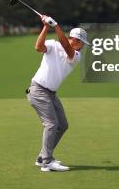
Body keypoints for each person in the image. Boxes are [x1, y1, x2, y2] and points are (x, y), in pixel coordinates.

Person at [26, 14, 88, 172]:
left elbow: (67, 48)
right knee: (51, 124)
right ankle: (47, 161)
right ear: (74, 39)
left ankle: (42, 157)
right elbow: (38, 47)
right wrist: (46, 27)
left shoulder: (76, 56)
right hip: (38, 90)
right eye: (81, 42)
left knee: (62, 125)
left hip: (51, 93)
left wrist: (56, 25)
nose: (82, 46)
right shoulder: (53, 45)